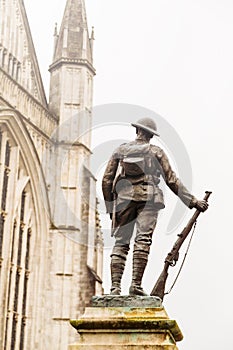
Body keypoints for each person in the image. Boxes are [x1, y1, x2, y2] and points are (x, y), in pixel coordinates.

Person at [102, 117, 208, 296]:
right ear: (151, 135)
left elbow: (106, 180)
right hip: (149, 200)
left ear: (137, 131)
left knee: (120, 243)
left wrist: (110, 206)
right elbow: (172, 180)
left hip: (123, 200)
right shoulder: (156, 152)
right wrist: (193, 201)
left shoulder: (120, 150)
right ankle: (135, 285)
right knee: (143, 241)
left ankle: (115, 288)